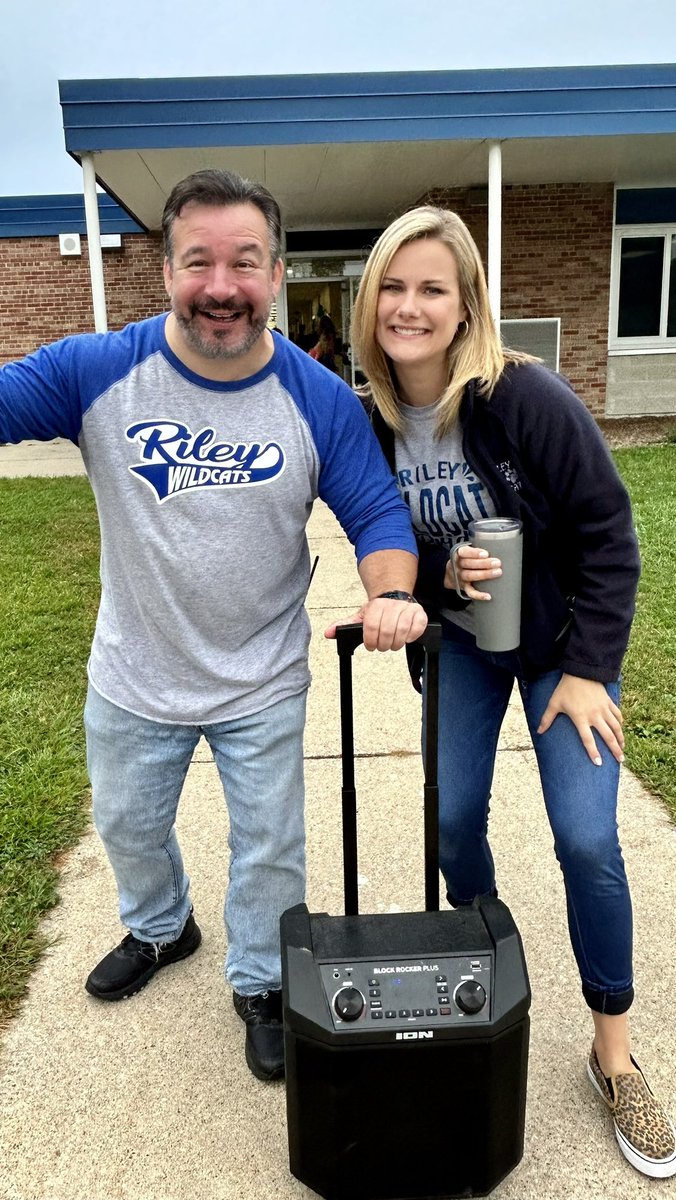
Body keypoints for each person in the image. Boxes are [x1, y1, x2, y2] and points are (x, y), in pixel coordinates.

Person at [0, 169, 428, 1083]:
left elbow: (376, 514)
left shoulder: (317, 396)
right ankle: (163, 928)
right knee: (128, 827)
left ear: (276, 275)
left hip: (261, 676)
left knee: (271, 848)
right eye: (198, 261)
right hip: (134, 673)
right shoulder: (100, 371)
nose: (221, 285)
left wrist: (391, 592)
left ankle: (259, 984)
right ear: (164, 272)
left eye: (244, 263)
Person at [349, 204, 675, 1177]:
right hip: (464, 644)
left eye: (431, 289)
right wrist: (438, 574)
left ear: (465, 306)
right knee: (452, 825)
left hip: (563, 650)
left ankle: (613, 1056)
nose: (409, 306)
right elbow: (402, 537)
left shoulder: (526, 398)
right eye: (393, 287)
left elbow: (612, 537)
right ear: (371, 303)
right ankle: (491, 953)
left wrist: (583, 670)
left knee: (586, 838)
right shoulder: (369, 415)